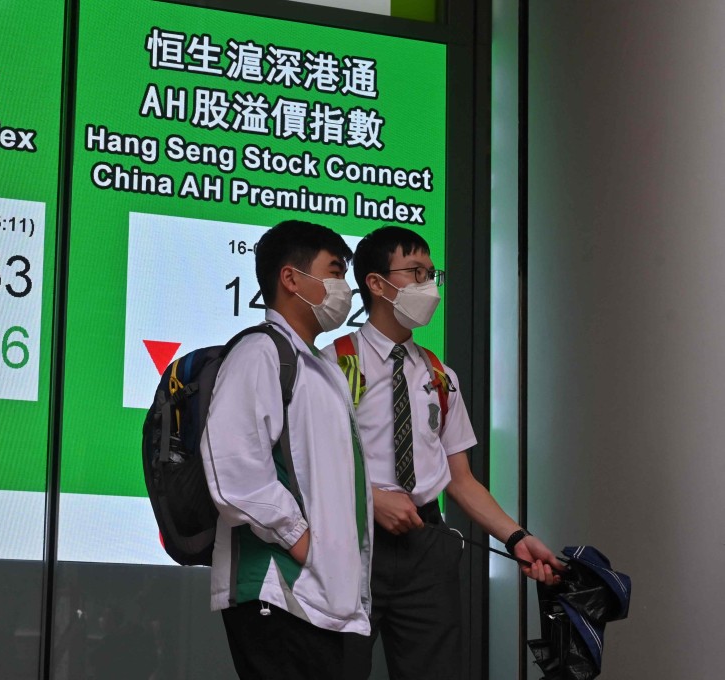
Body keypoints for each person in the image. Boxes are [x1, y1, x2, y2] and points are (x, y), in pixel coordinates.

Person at [320, 226, 564, 680]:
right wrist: (372, 500)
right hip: (350, 544)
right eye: (415, 272)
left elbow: (461, 480)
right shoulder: (335, 363)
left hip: (426, 546)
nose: (429, 285)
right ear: (375, 283)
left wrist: (516, 537)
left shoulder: (439, 373)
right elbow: (311, 470)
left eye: (433, 274)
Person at [201, 220, 373, 680]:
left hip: (319, 596)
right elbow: (233, 469)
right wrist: (305, 543)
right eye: (334, 272)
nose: (344, 289)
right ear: (291, 279)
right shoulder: (260, 352)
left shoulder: (320, 366)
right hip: (277, 589)